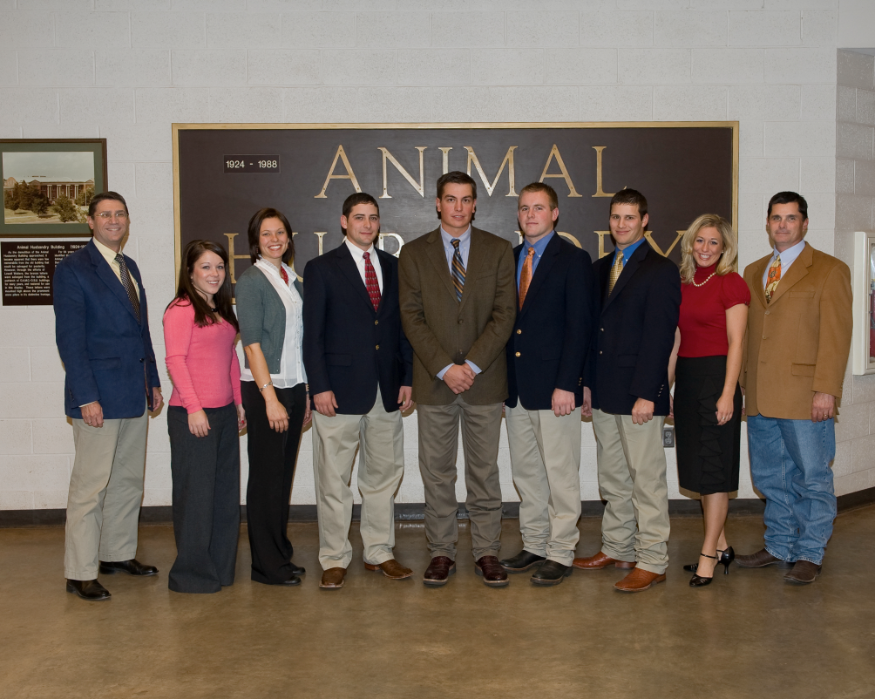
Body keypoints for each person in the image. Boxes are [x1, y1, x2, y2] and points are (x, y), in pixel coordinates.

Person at [399, 171, 516, 587]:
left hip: (484, 381)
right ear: (437, 203)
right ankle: (441, 552)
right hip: (435, 383)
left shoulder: (500, 250)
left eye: (466, 200)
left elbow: (505, 315)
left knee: (484, 473)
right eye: (451, 199)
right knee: (437, 473)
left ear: (475, 204)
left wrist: (473, 365)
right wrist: (447, 368)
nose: (459, 207)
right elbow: (411, 317)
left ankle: (487, 551)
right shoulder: (413, 254)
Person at [737, 192, 852, 584]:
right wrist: (742, 388)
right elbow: (749, 335)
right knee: (770, 477)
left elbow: (837, 337)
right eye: (775, 218)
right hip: (761, 396)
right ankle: (780, 544)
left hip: (806, 397)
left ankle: (809, 552)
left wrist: (826, 390)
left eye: (790, 218)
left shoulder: (829, 270)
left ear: (805, 223)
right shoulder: (753, 271)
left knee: (812, 477)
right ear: (767, 224)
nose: (782, 225)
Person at [53, 191, 163, 601]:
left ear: (127, 221)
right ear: (91, 221)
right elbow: (70, 340)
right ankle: (79, 571)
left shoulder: (128, 266)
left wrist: (152, 379)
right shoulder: (73, 269)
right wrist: (85, 396)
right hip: (97, 396)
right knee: (91, 486)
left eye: (120, 214)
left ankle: (116, 553)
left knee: (128, 481)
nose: (113, 220)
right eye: (105, 215)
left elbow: (141, 331)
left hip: (133, 392)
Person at [303, 193, 414, 591]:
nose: (367, 224)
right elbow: (312, 335)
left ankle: (379, 551)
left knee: (383, 477)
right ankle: (333, 557)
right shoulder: (320, 268)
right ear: (343, 222)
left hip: (386, 390)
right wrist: (320, 387)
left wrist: (408, 377)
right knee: (334, 480)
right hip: (338, 393)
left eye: (373, 218)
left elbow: (402, 330)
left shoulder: (393, 267)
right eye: (359, 218)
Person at [576, 188, 681, 593]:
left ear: (645, 220)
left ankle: (652, 559)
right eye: (616, 217)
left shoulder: (661, 270)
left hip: (639, 394)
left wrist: (648, 393)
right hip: (603, 391)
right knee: (614, 478)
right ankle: (618, 547)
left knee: (646, 479)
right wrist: (586, 385)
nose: (621, 224)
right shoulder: (601, 268)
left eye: (629, 217)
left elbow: (660, 338)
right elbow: (591, 333)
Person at [499, 183, 594, 586]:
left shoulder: (573, 260)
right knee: (526, 474)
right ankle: (535, 542)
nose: (531, 215)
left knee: (560, 473)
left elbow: (579, 327)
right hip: (517, 387)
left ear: (554, 214)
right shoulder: (510, 258)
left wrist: (568, 383)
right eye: (524, 208)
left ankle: (560, 551)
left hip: (556, 388)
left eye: (539, 208)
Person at [666, 215, 749, 587]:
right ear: (690, 244)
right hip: (687, 380)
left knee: (714, 472)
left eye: (713, 242)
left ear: (725, 247)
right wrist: (664, 387)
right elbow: (678, 340)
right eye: (700, 241)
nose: (705, 248)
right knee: (699, 471)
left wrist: (728, 393)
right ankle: (722, 545)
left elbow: (737, 343)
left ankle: (707, 556)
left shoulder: (731, 284)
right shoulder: (684, 283)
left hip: (717, 380)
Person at [163, 240, 246, 594]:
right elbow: (174, 361)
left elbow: (230, 358)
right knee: (196, 497)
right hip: (192, 415)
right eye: (206, 267)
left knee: (224, 497)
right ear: (190, 272)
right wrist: (194, 407)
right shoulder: (181, 308)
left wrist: (239, 403)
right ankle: (191, 575)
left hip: (225, 412)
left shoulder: (221, 309)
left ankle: (220, 569)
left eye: (219, 267)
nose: (214, 274)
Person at [235, 207, 311, 587]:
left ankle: (280, 553)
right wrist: (269, 398)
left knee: (282, 477)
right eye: (266, 234)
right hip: (268, 389)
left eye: (280, 232)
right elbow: (251, 345)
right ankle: (266, 565)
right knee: (266, 479)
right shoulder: (252, 280)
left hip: (295, 387)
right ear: (255, 241)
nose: (275, 239)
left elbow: (299, 343)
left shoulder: (293, 280)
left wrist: (306, 391)